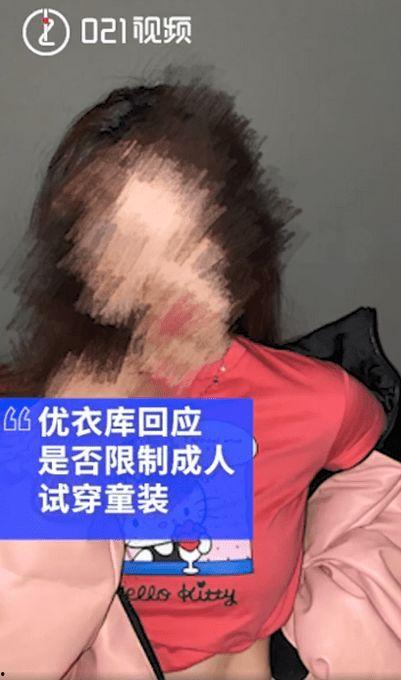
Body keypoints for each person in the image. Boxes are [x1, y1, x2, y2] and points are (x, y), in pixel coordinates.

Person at [0, 75, 389, 679]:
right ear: (87, 276)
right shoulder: (43, 423)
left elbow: (376, 480)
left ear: (235, 244)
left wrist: (336, 613)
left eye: (191, 242)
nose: (167, 284)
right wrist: (67, 439)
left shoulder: (316, 400)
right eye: (127, 246)